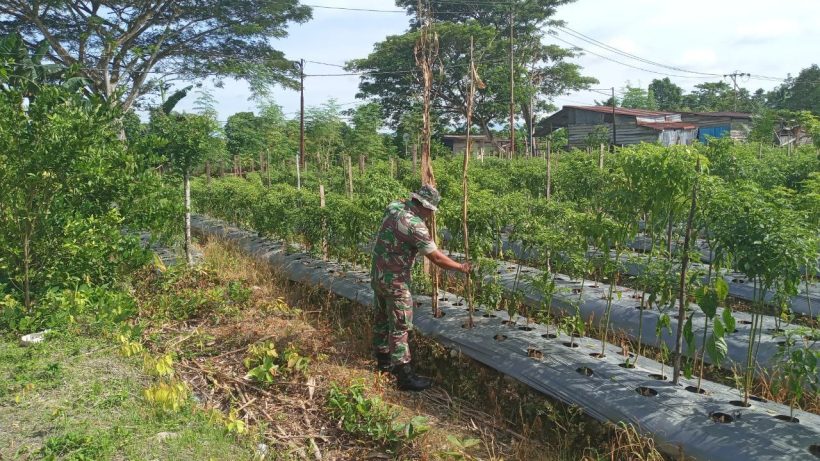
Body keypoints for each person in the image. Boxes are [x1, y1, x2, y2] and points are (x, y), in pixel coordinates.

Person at [370, 184, 471, 391]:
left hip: (377, 274)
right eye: (430, 210)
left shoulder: (394, 207)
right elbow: (436, 257)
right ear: (424, 206)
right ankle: (404, 376)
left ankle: (383, 363)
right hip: (395, 281)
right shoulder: (416, 226)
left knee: (381, 318)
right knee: (400, 325)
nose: (430, 215)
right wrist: (461, 267)